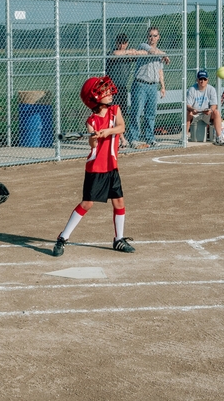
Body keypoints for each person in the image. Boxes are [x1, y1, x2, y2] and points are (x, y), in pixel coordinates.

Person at [52, 76, 135, 257]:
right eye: (103, 90)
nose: (108, 92)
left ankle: (118, 239)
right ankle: (62, 237)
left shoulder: (115, 110)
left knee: (119, 201)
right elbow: (92, 146)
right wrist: (95, 137)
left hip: (112, 166)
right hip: (96, 168)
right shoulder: (91, 121)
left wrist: (108, 131)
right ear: (94, 98)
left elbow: (121, 127)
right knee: (87, 203)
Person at [127, 27, 169, 148]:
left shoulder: (160, 54)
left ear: (158, 37)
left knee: (151, 114)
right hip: (141, 84)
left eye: (155, 36)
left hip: (153, 86)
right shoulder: (143, 46)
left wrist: (163, 87)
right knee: (137, 112)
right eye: (150, 36)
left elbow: (160, 71)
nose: (152, 38)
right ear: (147, 37)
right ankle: (134, 139)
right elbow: (152, 51)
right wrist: (165, 54)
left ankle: (150, 138)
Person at [105, 32, 144, 147]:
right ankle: (121, 138)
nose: (122, 46)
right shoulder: (112, 53)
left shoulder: (127, 55)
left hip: (122, 89)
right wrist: (128, 51)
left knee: (120, 114)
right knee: (112, 114)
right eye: (120, 43)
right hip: (111, 89)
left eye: (124, 43)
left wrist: (134, 51)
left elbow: (140, 54)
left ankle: (121, 138)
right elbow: (116, 53)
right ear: (116, 43)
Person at [186, 69, 224, 146]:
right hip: (195, 114)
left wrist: (210, 110)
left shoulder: (211, 89)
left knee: (216, 112)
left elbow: (214, 105)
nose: (202, 81)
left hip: (206, 114)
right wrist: (193, 109)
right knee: (188, 112)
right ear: (197, 80)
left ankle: (219, 138)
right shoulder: (192, 89)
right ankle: (184, 137)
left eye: (204, 79)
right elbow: (188, 105)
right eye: (200, 79)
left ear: (207, 80)